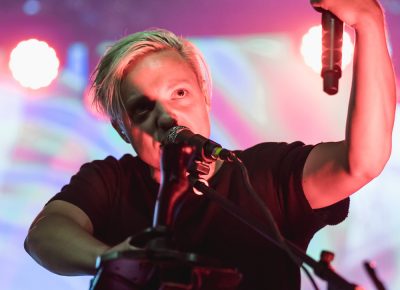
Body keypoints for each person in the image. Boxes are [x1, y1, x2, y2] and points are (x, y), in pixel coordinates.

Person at [24, 0, 396, 289]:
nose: (166, 116)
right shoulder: (111, 181)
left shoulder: (264, 174)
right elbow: (45, 234)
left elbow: (360, 162)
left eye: (180, 93)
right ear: (124, 130)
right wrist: (112, 259)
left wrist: (369, 22)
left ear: (205, 98)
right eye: (142, 108)